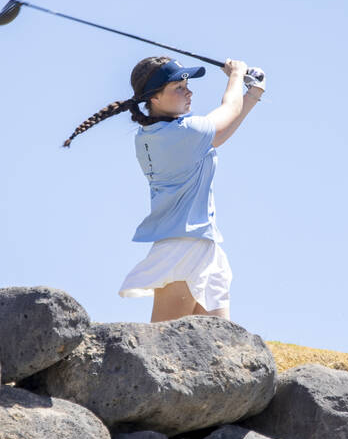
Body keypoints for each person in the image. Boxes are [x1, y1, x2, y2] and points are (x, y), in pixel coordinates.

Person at [62, 56, 264, 322]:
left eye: (187, 84)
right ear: (154, 98)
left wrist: (252, 94)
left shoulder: (155, 135)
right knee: (162, 347)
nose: (189, 91)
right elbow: (228, 110)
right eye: (178, 87)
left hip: (203, 244)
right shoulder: (184, 132)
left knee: (219, 348)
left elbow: (220, 134)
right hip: (181, 248)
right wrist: (236, 75)